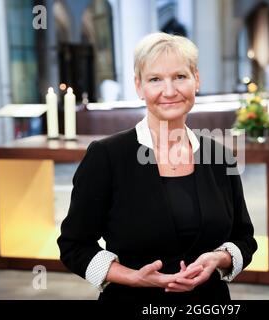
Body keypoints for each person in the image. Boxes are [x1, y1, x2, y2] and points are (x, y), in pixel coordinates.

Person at [57, 32, 257, 301]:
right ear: (139, 87)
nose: (170, 91)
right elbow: (74, 245)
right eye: (155, 79)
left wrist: (218, 258)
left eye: (180, 77)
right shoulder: (107, 156)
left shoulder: (219, 156)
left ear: (196, 80)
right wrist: (132, 277)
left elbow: (245, 238)